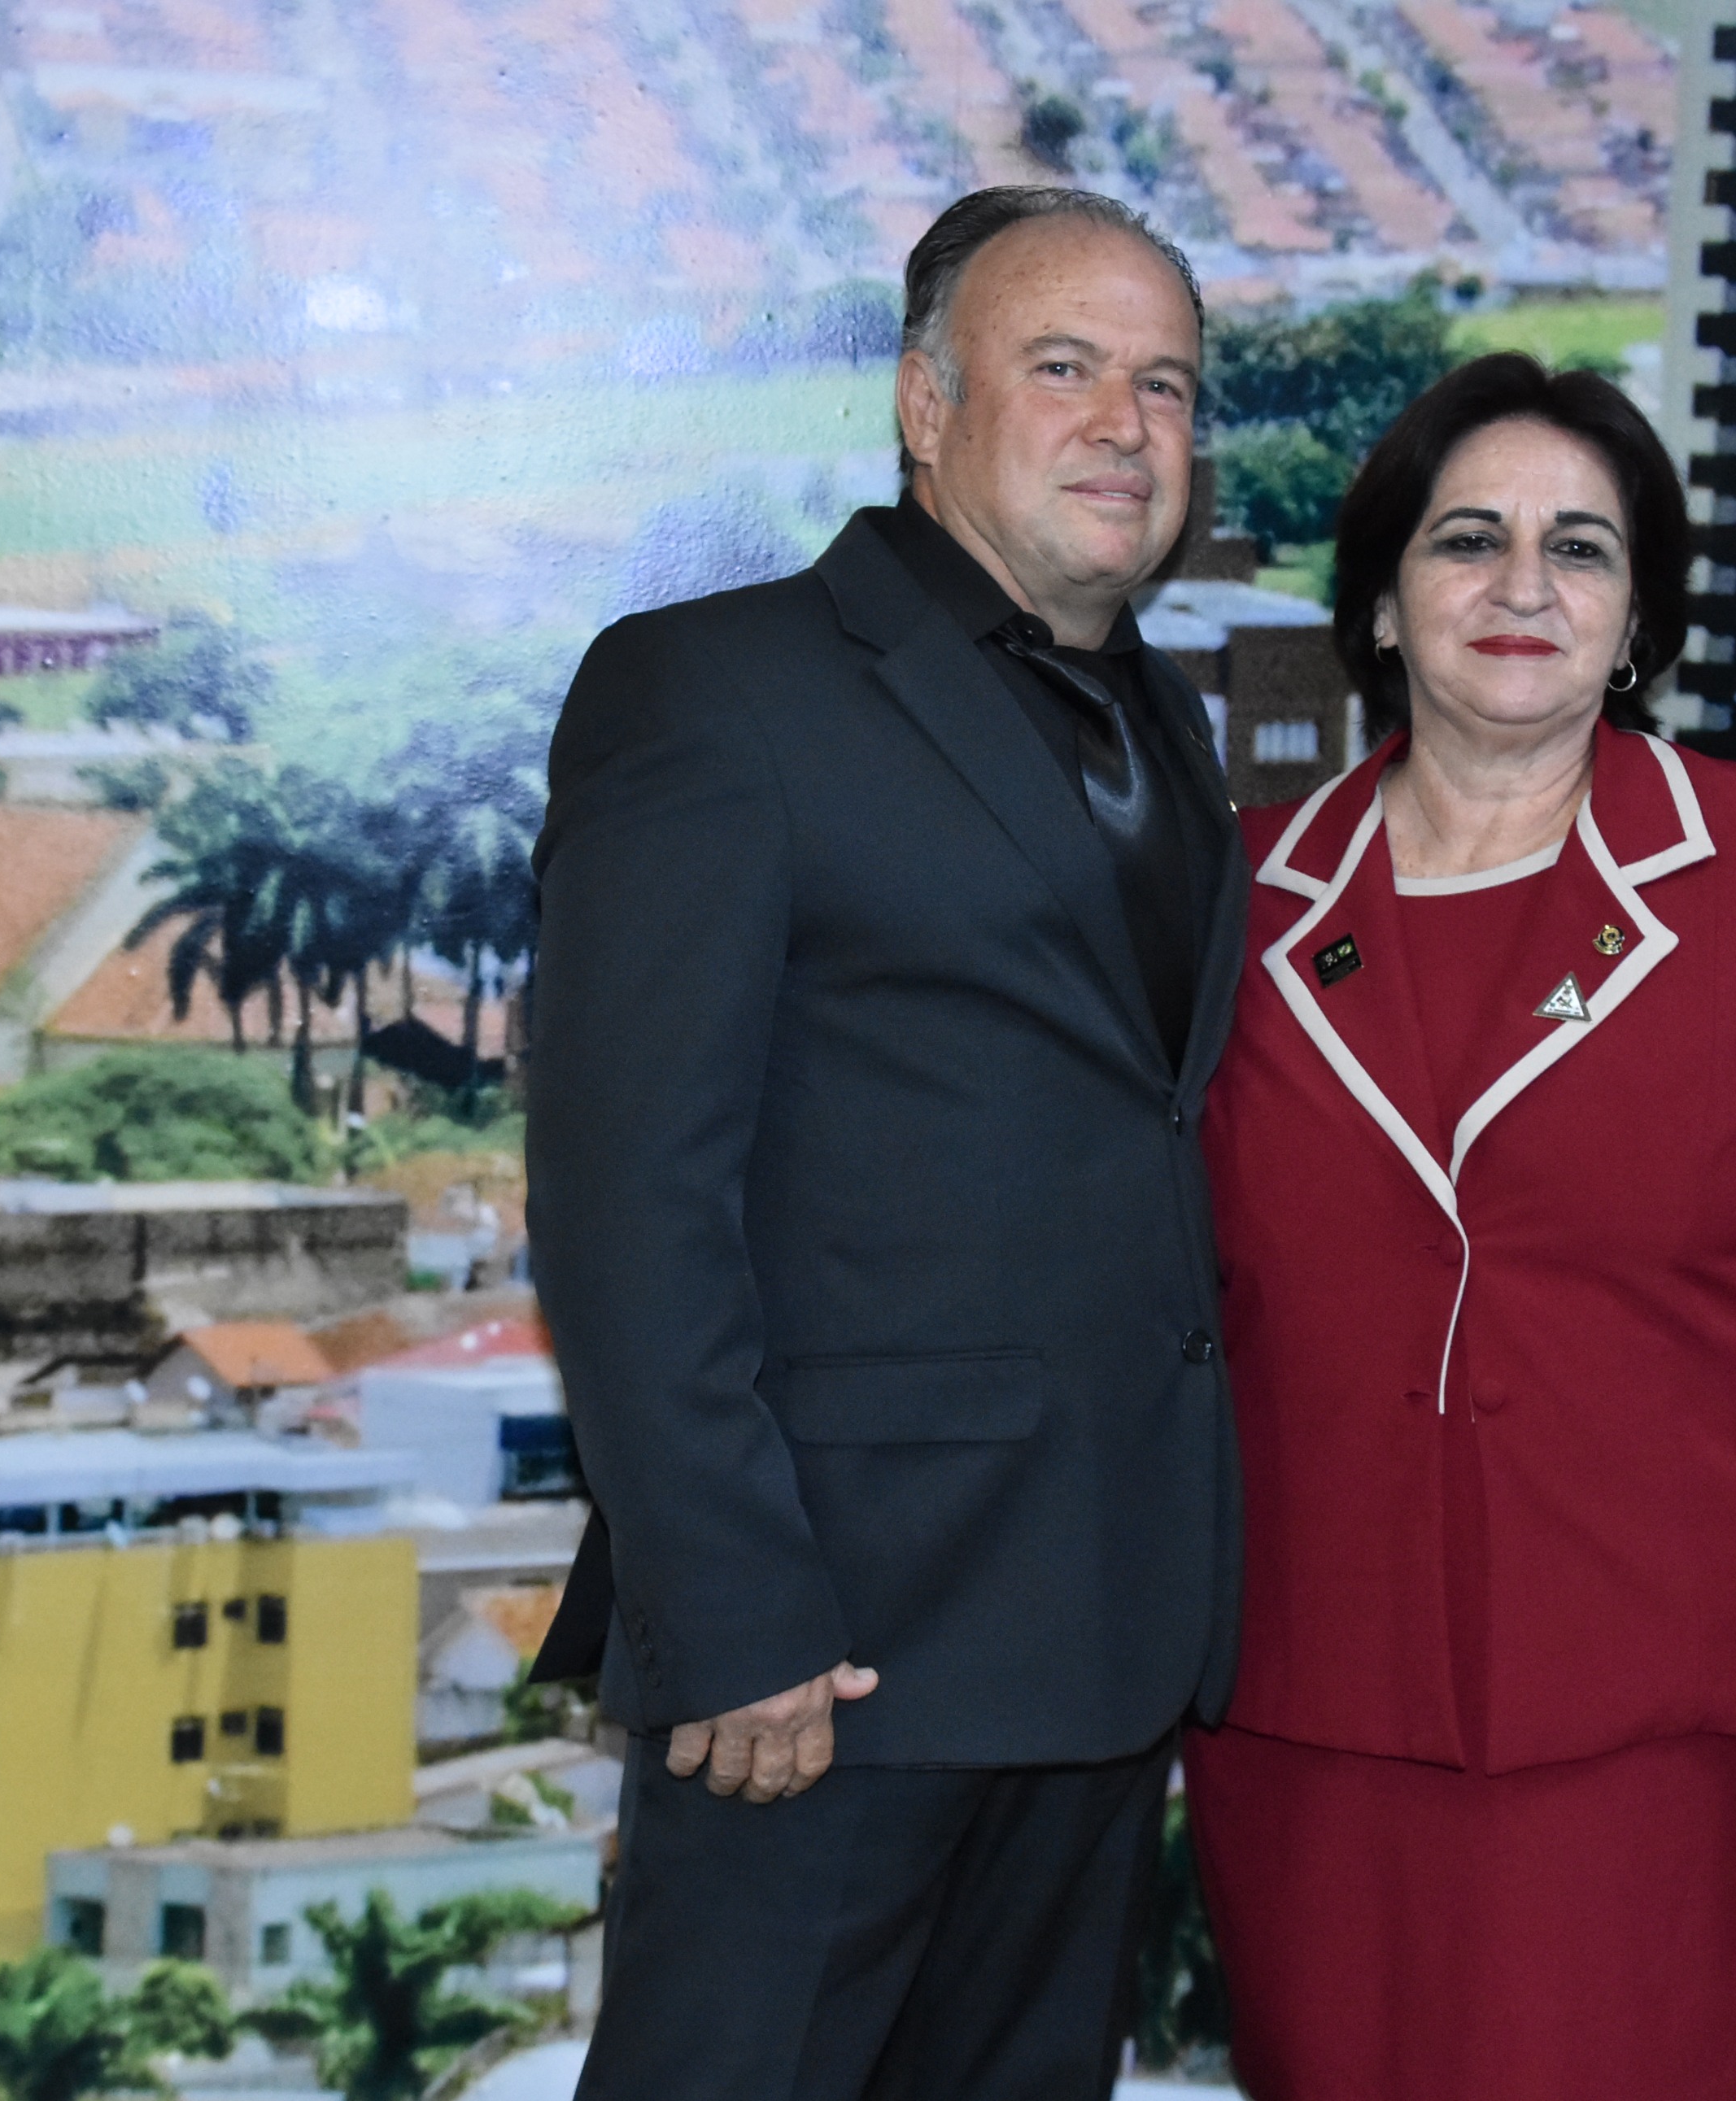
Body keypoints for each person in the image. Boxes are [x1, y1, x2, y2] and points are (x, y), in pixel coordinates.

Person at [1180, 352, 1736, 2101]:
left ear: (1636, 619)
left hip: (1680, 1701)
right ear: (1381, 602)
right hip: (1317, 1698)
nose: (1522, 586)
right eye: (1466, 539)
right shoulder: (1235, 900)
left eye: (1579, 549)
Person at [522, 186, 1247, 2101]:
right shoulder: (715, 689)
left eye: (1166, 385)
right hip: (822, 1666)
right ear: (926, 404)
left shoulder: (1171, 726)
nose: (1126, 424)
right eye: (1064, 367)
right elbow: (626, 1197)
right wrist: (730, 1610)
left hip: (1098, 1654)